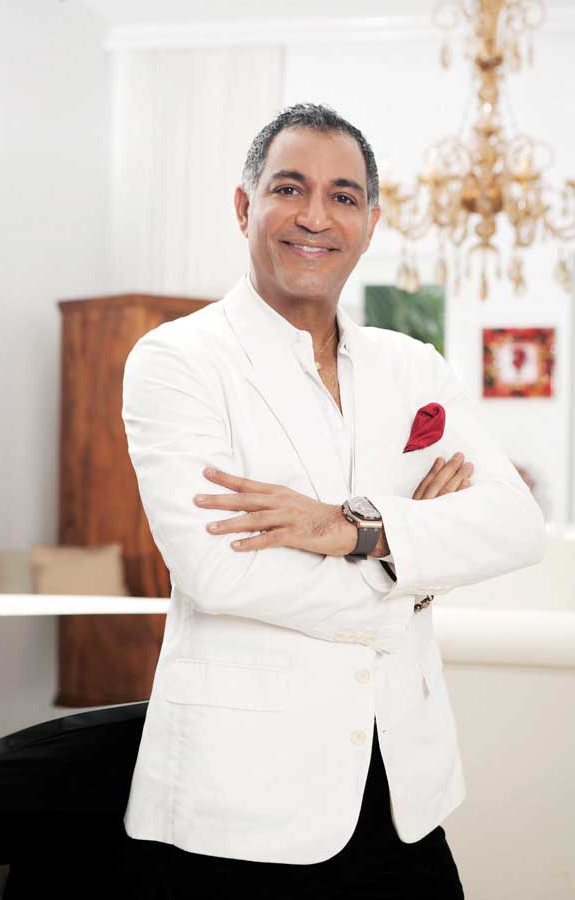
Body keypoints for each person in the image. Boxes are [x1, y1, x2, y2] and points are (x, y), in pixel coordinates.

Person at [120, 102, 545, 899]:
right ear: (244, 206)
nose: (316, 216)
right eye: (290, 188)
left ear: (371, 223)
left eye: (343, 196)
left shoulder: (412, 365)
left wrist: (354, 529)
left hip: (406, 792)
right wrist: (411, 571)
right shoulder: (178, 361)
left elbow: (517, 525)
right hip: (243, 804)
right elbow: (220, 573)